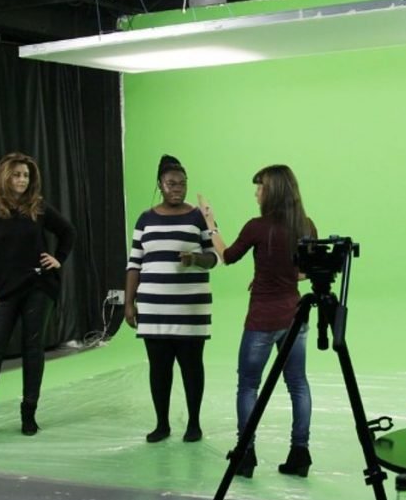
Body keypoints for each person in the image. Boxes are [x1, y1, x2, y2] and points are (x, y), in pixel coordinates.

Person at [199, 164, 317, 478]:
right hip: (294, 317)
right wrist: (277, 276)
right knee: (298, 385)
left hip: (263, 319)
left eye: (260, 187)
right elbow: (306, 272)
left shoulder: (257, 226)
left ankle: (245, 455)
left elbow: (226, 256)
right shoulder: (305, 225)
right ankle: (300, 454)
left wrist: (210, 222)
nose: (256, 193)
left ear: (273, 191)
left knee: (248, 386)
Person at [0, 152, 75, 439]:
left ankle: (29, 414)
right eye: (17, 174)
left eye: (26, 175)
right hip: (2, 292)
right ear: (4, 177)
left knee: (33, 351)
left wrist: (58, 258)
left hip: (39, 287)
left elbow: (68, 232)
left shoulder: (38, 208)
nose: (22, 180)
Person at [125, 154, 217, 443]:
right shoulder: (145, 218)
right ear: (160, 185)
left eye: (182, 183)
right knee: (159, 369)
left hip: (190, 307)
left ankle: (194, 424)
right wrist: (129, 303)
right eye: (171, 183)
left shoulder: (198, 216)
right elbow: (134, 263)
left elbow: (214, 257)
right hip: (153, 307)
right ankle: (162, 424)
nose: (177, 188)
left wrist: (195, 258)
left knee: (192, 367)